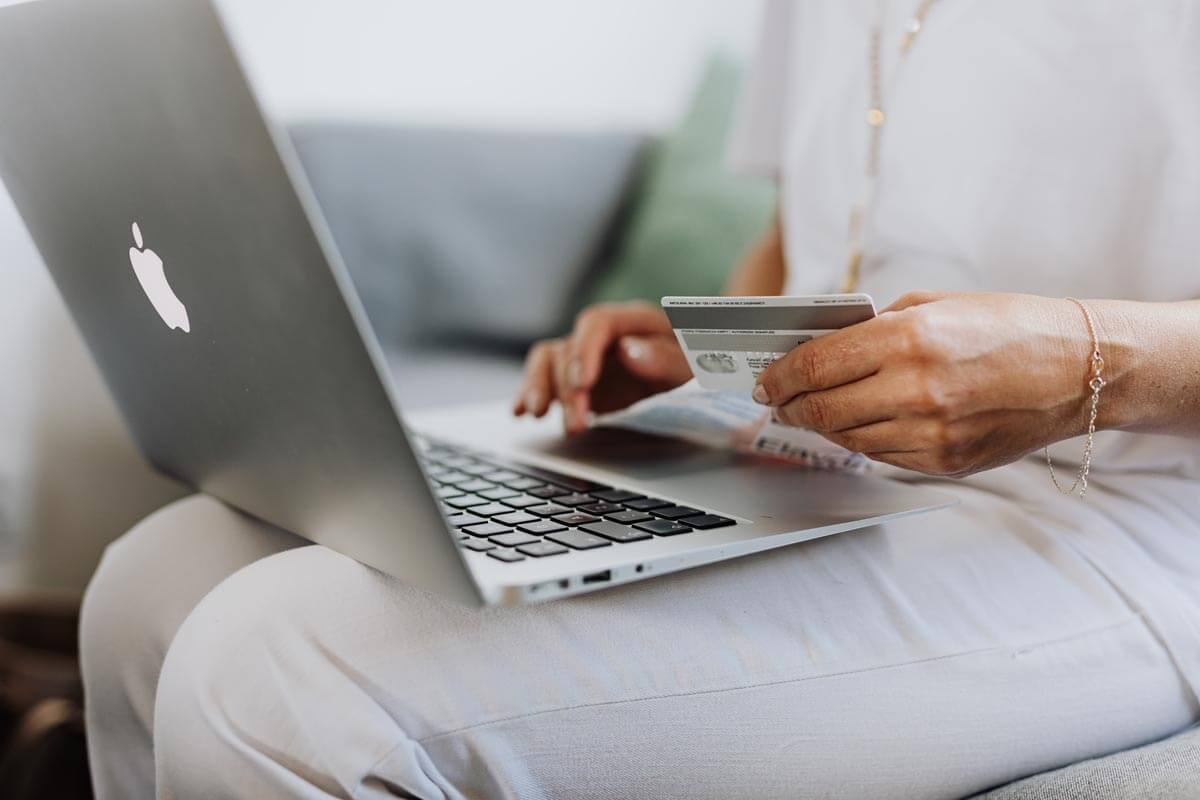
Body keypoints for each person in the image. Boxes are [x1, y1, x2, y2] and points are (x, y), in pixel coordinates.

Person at [80, 2, 1200, 798]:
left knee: (275, 678)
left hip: (1107, 515)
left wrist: (1082, 358)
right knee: (154, 581)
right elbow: (800, 233)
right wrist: (720, 343)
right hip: (821, 463)